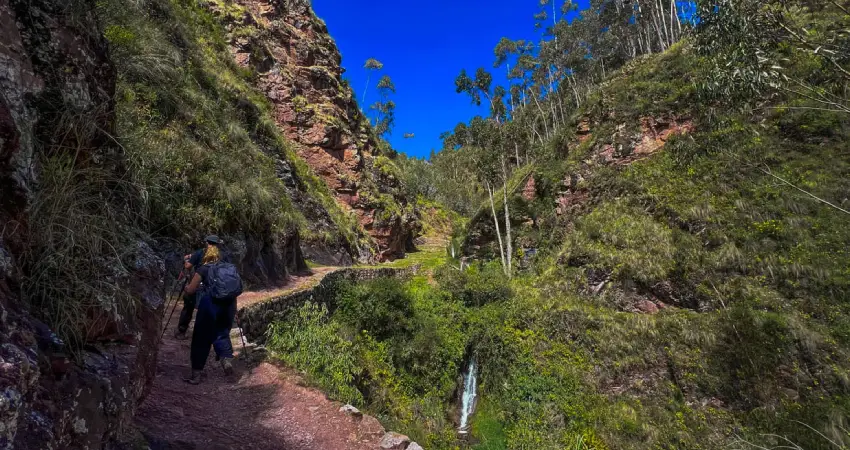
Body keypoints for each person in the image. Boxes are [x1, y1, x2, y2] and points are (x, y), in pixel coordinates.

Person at [181, 244, 242, 384]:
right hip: (229, 305)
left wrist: (185, 287)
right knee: (222, 333)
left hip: (210, 305)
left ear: (206, 256)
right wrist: (235, 311)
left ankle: (196, 374)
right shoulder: (229, 268)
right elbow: (233, 291)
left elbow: (191, 290)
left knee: (201, 337)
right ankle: (226, 360)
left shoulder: (204, 269)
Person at [174, 235, 230, 340]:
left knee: (188, 305)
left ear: (207, 242)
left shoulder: (200, 252)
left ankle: (181, 331)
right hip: (217, 287)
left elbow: (188, 266)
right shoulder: (223, 255)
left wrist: (186, 260)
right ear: (218, 244)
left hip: (198, 282)